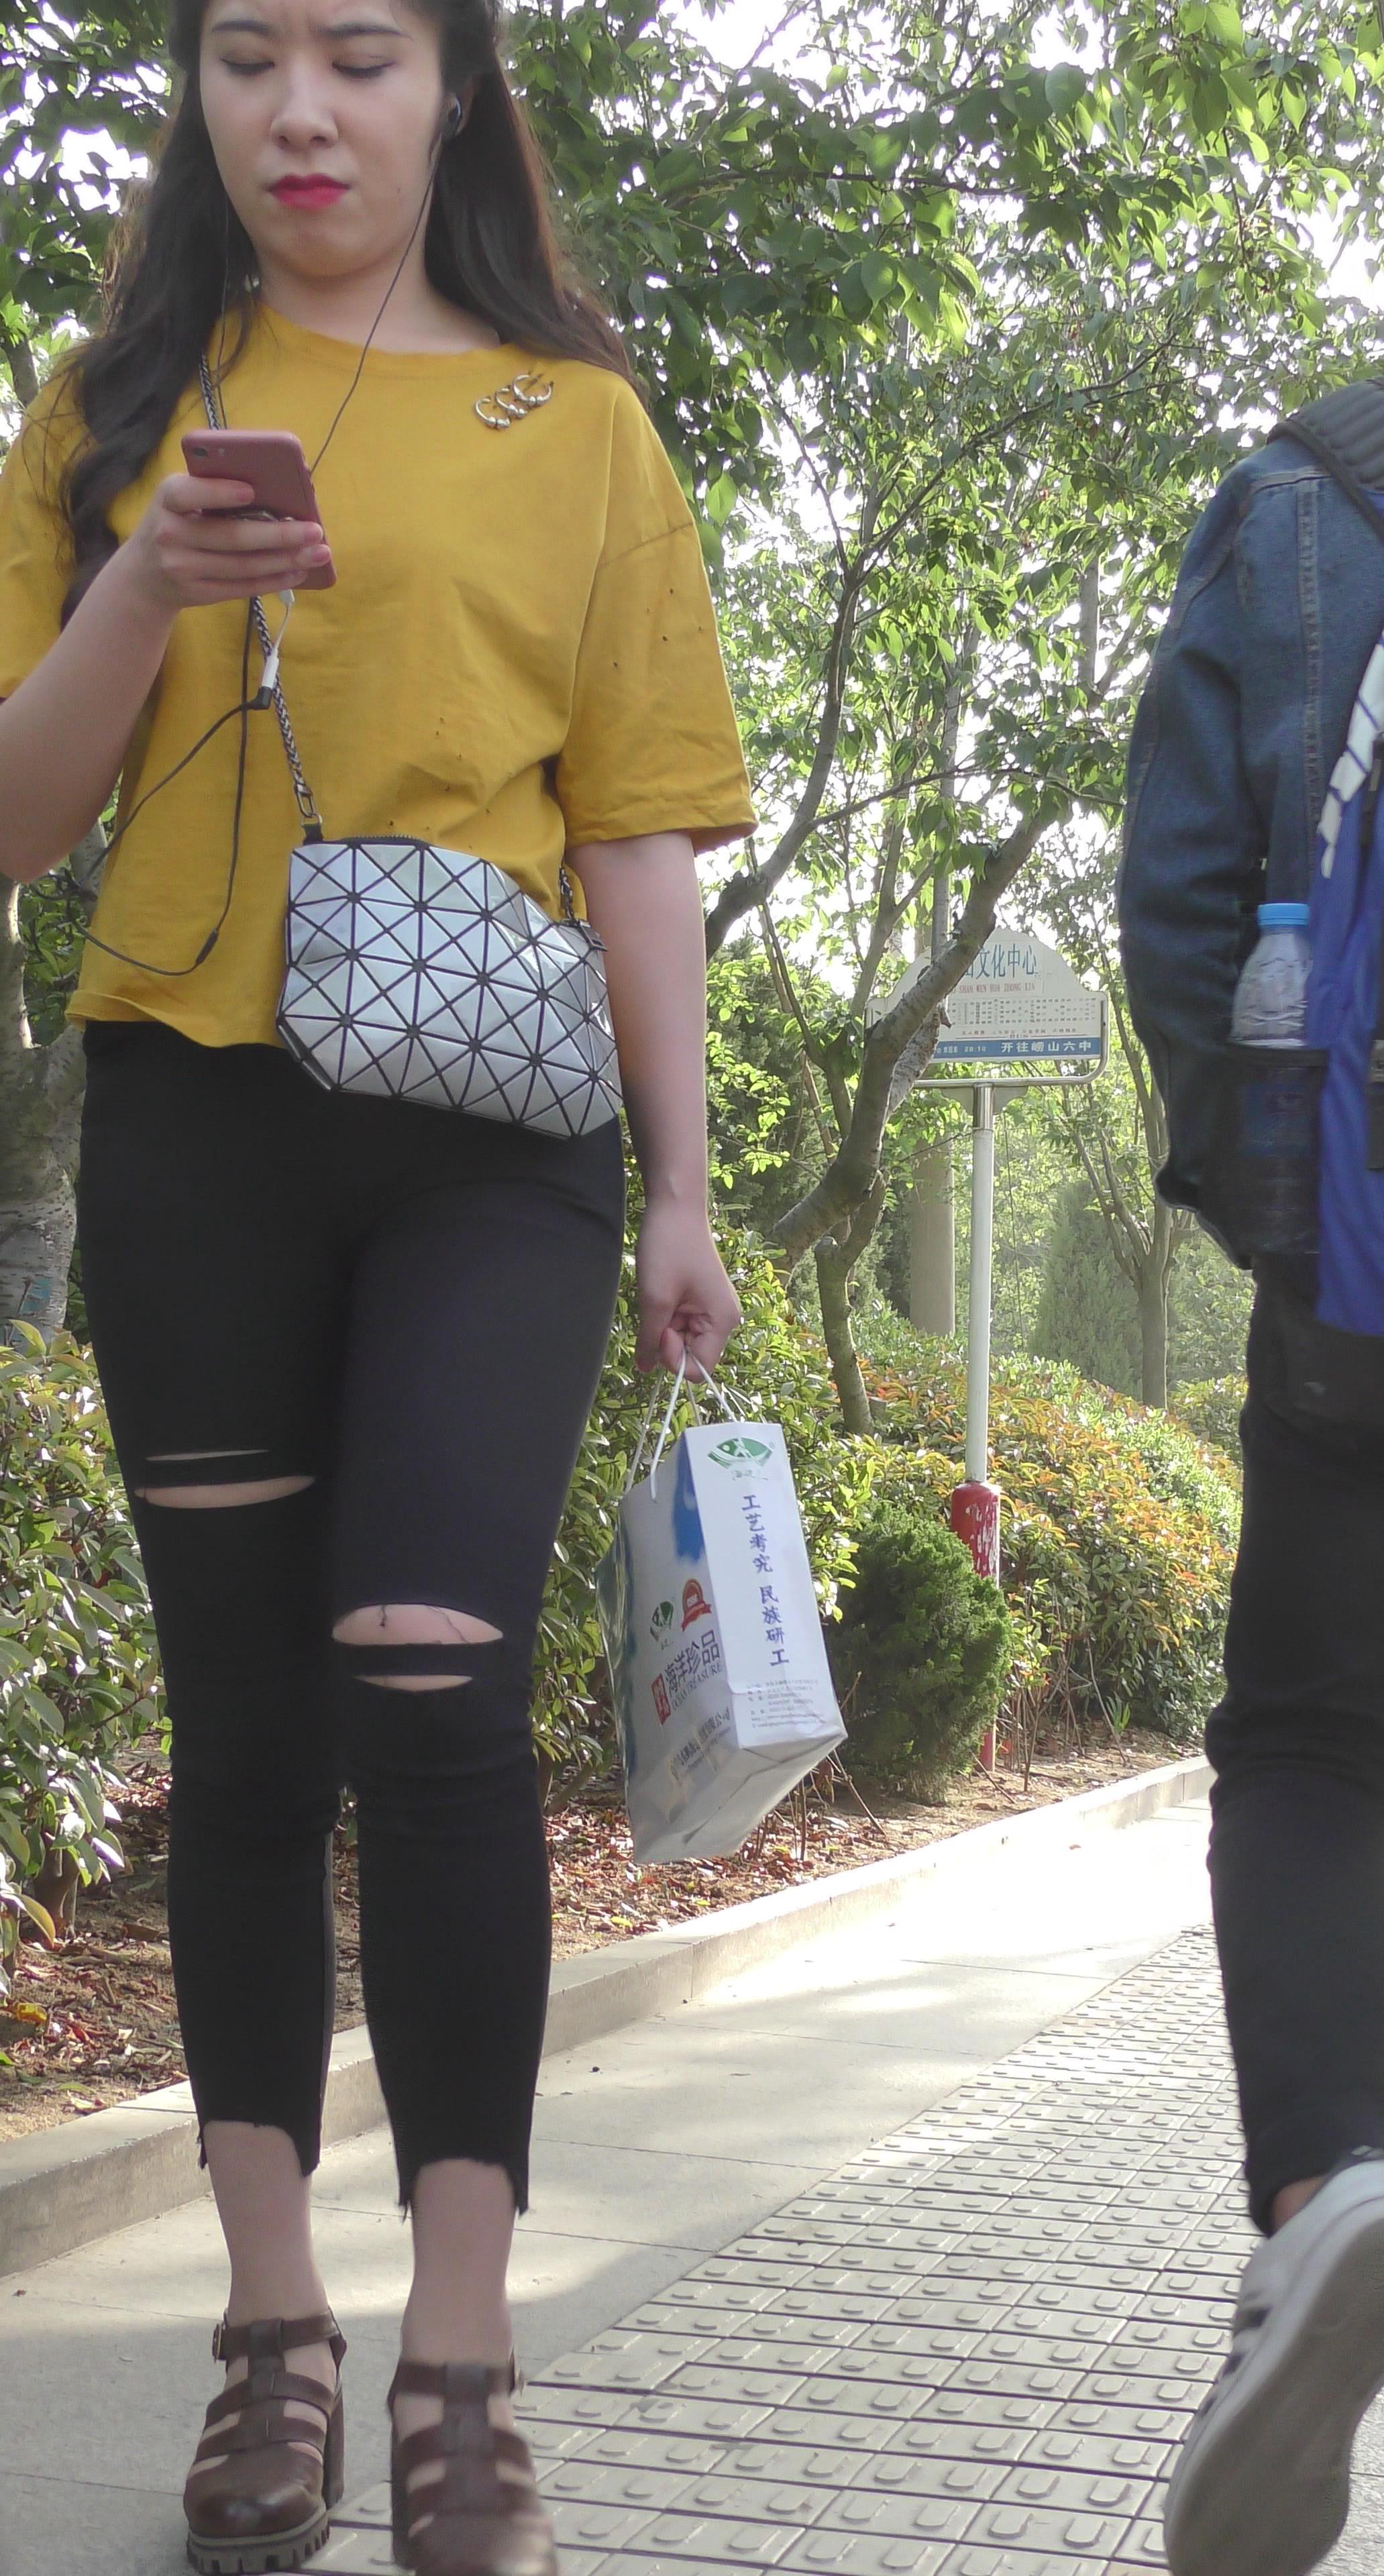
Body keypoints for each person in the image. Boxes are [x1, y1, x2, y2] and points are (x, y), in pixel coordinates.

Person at [0, 4, 755, 2571]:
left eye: (356, 55)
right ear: (199, 99)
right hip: (196, 1123)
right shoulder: (115, 405)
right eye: (245, 59)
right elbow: (17, 819)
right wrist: (144, 582)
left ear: (453, 94)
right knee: (245, 1738)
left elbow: (638, 833)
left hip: (496, 1146)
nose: (299, 111)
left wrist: (684, 1185)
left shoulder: (583, 426)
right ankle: (270, 2341)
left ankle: (459, 2357)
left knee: (429, 1676)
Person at [1119, 89, 1384, 2576]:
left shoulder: (1314, 496)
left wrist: (1285, 1208)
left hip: (1381, 1289)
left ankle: (1331, 2189)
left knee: (1325, 1759)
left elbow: (1183, 896)